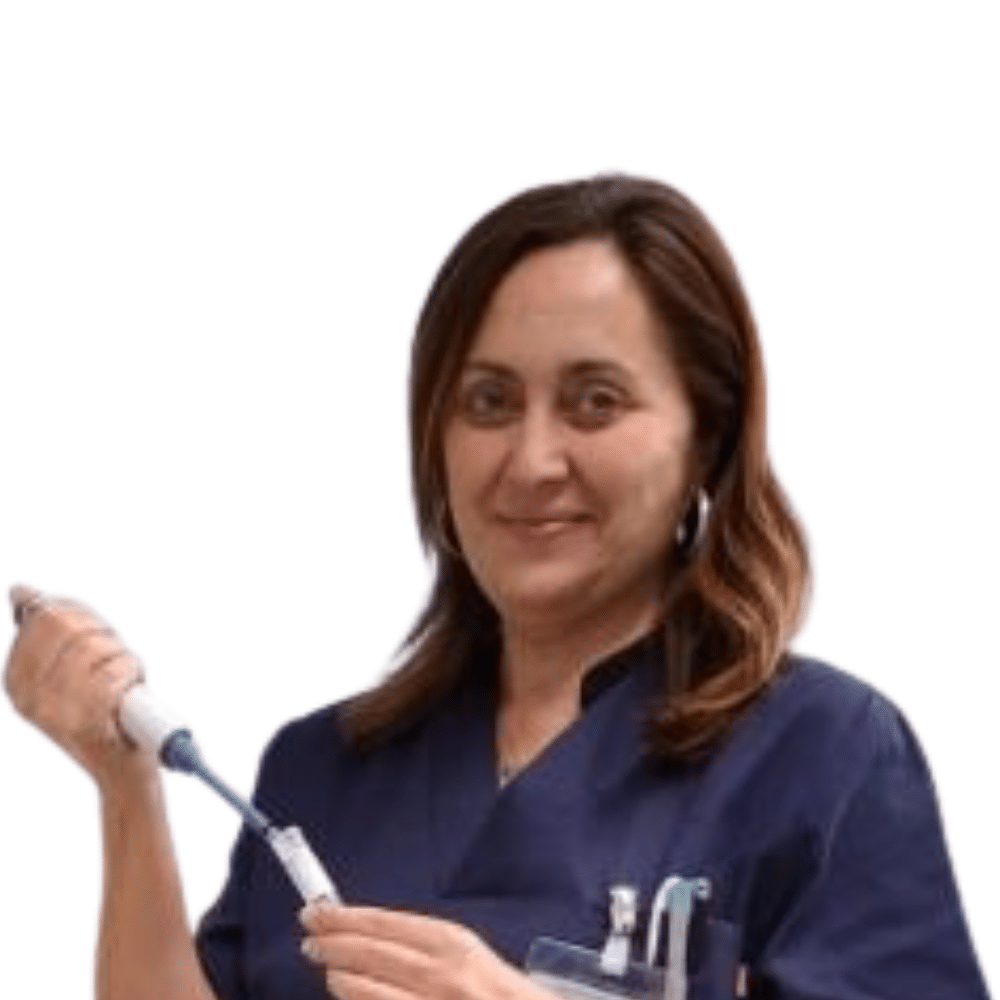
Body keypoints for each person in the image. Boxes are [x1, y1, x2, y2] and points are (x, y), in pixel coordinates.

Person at [4, 174, 990, 1000]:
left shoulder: (821, 756)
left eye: (595, 402)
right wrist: (125, 788)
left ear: (707, 438)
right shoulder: (322, 771)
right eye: (488, 402)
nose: (531, 460)